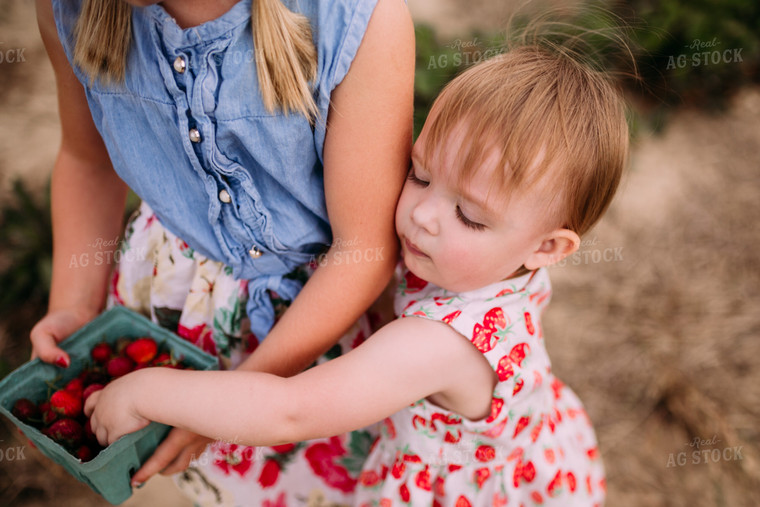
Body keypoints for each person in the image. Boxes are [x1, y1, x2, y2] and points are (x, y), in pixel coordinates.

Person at [86, 37, 628, 506]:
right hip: (540, 446)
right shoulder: (502, 263)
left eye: (468, 215)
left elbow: (292, 412)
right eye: (419, 174)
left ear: (549, 247)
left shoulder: (442, 345)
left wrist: (148, 392)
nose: (422, 215)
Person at [31, 0, 413, 504]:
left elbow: (362, 248)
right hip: (167, 302)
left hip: (307, 330)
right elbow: (87, 159)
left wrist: (228, 405)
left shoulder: (355, 19)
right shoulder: (70, 9)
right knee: (180, 482)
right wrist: (76, 303)